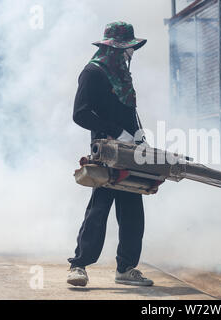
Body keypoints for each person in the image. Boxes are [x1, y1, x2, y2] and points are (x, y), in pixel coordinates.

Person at [67, 22, 153, 287]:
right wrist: (115, 131)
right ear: (114, 48)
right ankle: (78, 266)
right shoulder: (92, 72)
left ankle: (126, 268)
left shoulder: (123, 75)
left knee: (132, 212)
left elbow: (128, 114)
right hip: (106, 151)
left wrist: (138, 138)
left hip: (130, 152)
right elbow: (80, 114)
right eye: (128, 48)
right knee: (99, 210)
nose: (131, 53)